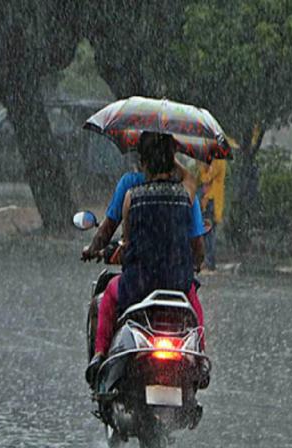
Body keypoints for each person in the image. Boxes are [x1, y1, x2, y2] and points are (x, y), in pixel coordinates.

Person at [84, 132, 206, 384]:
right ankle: (201, 358)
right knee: (195, 309)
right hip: (177, 285)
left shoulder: (132, 195)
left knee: (107, 298)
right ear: (171, 161)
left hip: (138, 285)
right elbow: (199, 249)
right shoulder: (186, 196)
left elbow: (128, 245)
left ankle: (98, 356)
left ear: (144, 163)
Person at [198, 158, 227, 271]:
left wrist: (201, 166)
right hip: (210, 199)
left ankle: (209, 262)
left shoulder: (218, 160)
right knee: (208, 232)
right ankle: (209, 261)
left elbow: (206, 178)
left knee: (209, 232)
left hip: (211, 200)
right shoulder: (214, 160)